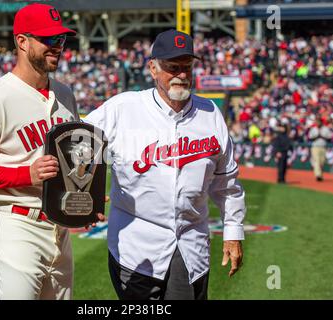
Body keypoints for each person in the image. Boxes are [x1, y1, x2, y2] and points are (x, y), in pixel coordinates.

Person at [0, 4, 103, 300]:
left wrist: (86, 196)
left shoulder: (64, 94)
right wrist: (25, 173)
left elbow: (68, 161)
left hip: (59, 230)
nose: (57, 47)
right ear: (22, 41)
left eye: (60, 40)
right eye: (48, 39)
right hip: (15, 228)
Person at [84, 29, 246, 300]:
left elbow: (227, 185)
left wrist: (233, 232)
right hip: (135, 247)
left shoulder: (210, 115)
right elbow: (75, 145)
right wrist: (85, 193)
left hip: (190, 245)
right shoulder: (122, 108)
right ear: (153, 68)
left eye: (187, 67)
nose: (181, 74)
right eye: (172, 67)